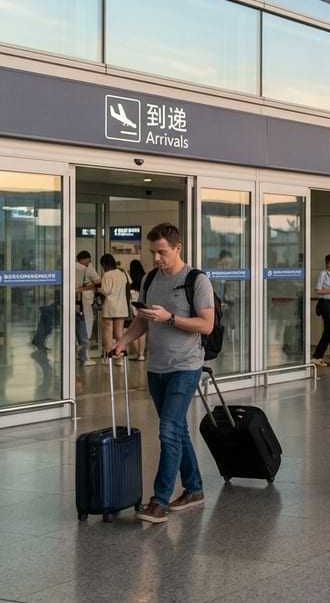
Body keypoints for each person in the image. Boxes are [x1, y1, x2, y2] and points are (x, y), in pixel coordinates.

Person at [112, 223, 215, 524]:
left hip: (185, 366)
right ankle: (194, 489)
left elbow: (206, 325)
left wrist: (169, 318)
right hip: (156, 368)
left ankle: (159, 501)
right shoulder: (150, 279)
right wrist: (122, 342)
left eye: (162, 252)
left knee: (169, 431)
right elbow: (142, 323)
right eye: (153, 252)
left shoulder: (196, 281)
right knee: (177, 430)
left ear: (178, 248)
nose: (156, 258)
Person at [97, 254, 132, 359]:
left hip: (110, 306)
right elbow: (129, 282)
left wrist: (99, 290)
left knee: (108, 332)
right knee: (119, 333)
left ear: (104, 264)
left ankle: (108, 356)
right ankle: (121, 356)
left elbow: (105, 291)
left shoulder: (107, 274)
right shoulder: (123, 272)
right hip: (122, 306)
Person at [74, 251, 101, 367]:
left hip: (73, 302)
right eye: (88, 260)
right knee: (85, 328)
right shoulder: (86, 268)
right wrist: (87, 287)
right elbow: (98, 281)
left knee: (76, 329)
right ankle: (85, 356)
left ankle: (78, 353)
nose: (89, 262)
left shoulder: (70, 266)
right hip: (84, 303)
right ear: (84, 259)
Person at [125, 259, 147, 361]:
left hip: (132, 305)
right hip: (142, 305)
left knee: (132, 329)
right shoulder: (145, 278)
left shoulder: (129, 278)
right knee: (142, 331)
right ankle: (141, 354)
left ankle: (136, 351)